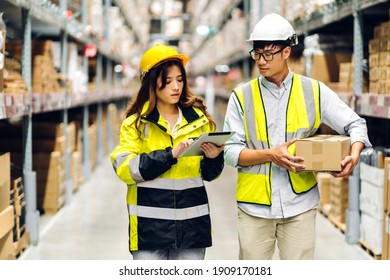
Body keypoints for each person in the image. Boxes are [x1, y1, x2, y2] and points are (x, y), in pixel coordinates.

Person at [223, 13, 371, 260]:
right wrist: (270, 155)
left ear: (286, 52)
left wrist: (354, 154)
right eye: (257, 53)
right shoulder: (241, 96)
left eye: (268, 53)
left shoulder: (313, 90)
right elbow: (229, 152)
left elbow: (355, 123)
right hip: (254, 210)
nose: (261, 60)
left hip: (300, 206)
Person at [110, 44, 225, 260]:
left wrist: (214, 159)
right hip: (149, 232)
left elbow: (208, 175)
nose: (176, 87)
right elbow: (125, 169)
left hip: (191, 231)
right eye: (168, 80)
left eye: (180, 80)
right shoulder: (135, 125)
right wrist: (169, 155)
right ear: (151, 81)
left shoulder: (199, 121)